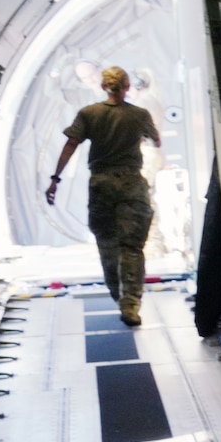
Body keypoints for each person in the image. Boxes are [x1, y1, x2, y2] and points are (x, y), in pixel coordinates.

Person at [46, 66, 160, 325]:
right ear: (127, 87)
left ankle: (117, 295)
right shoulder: (139, 114)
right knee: (132, 247)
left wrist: (55, 179)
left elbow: (71, 144)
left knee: (107, 245)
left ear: (102, 87)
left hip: (101, 185)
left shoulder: (89, 114)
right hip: (132, 184)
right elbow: (156, 141)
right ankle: (131, 305)